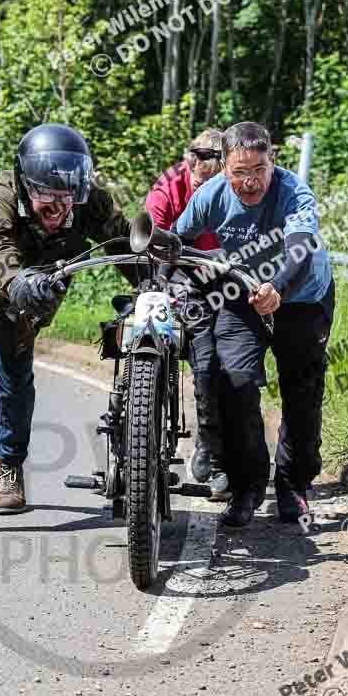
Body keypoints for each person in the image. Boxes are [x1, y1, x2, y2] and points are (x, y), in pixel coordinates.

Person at [0, 123, 137, 539]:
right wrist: (18, 282)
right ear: (24, 183)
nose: (59, 207)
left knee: (16, 380)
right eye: (47, 197)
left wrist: (155, 275)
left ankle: (9, 470)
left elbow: (121, 242)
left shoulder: (88, 201)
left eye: (68, 195)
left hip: (29, 294)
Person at [172, 121, 334, 528]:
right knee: (233, 382)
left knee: (302, 388)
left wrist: (277, 288)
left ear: (271, 161)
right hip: (242, 295)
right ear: (224, 167)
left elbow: (299, 251)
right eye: (240, 172)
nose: (250, 182)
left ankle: (293, 486)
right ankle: (246, 486)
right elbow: (178, 241)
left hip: (301, 296)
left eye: (258, 170)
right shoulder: (209, 195)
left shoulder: (293, 191)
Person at [145, 129, 229, 497]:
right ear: (189, 164)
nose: (205, 192)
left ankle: (211, 443)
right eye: (200, 181)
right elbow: (151, 239)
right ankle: (138, 414)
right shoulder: (168, 186)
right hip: (173, 268)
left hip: (220, 271)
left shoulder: (234, 187)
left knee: (216, 359)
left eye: (214, 182)